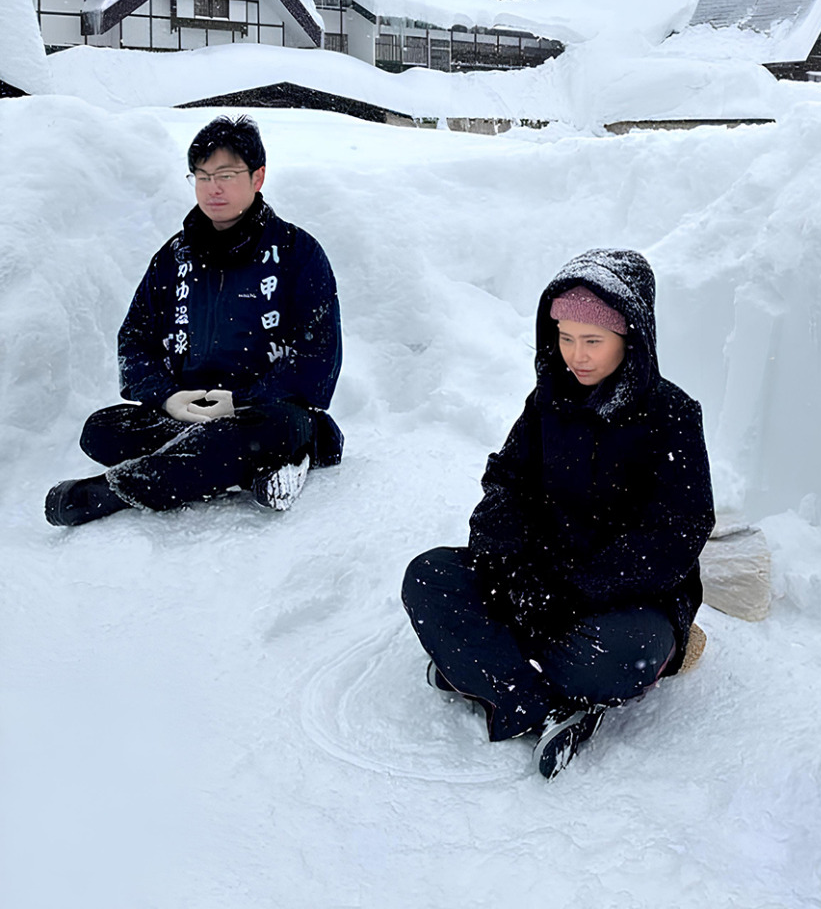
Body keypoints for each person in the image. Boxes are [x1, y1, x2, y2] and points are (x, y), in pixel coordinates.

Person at [402, 247, 714, 778]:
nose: (577, 356)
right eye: (565, 339)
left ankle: (485, 669)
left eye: (593, 341)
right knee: (429, 578)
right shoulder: (547, 401)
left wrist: (574, 590)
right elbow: (506, 484)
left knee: (625, 655)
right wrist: (510, 568)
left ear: (630, 339)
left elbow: (677, 532)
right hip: (536, 578)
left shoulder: (673, 415)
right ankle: (541, 702)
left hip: (621, 600)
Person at [45, 114, 343, 527]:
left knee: (271, 429)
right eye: (201, 176)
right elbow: (134, 339)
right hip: (189, 411)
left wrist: (240, 401)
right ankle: (251, 465)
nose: (212, 188)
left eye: (225, 174)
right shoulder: (173, 257)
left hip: (266, 411)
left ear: (258, 177)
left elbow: (318, 357)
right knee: (101, 430)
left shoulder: (298, 252)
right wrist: (169, 398)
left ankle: (118, 490)